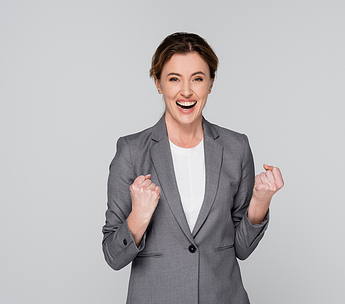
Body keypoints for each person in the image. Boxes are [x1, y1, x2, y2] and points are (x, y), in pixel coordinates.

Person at [102, 32, 284, 304]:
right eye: (174, 78)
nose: (186, 91)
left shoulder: (236, 148)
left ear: (210, 83)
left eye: (197, 78)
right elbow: (114, 256)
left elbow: (242, 249)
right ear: (158, 83)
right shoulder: (131, 151)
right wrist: (138, 215)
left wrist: (260, 201)